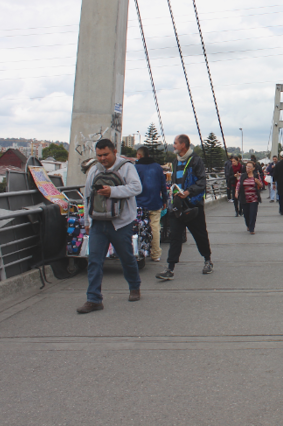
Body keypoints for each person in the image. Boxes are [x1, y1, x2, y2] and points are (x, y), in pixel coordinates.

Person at [77, 139, 142, 314]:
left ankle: (134, 286)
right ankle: (93, 299)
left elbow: (137, 188)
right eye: (99, 155)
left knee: (126, 257)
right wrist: (87, 222)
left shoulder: (127, 167)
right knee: (94, 261)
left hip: (121, 223)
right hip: (98, 222)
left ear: (114, 151)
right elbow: (87, 197)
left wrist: (112, 191)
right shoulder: (94, 170)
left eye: (106, 154)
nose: (103, 158)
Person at [156, 134, 213, 280]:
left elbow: (201, 181)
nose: (173, 145)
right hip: (178, 205)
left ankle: (207, 260)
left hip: (193, 205)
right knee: (175, 236)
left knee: (200, 234)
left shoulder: (196, 161)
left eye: (175, 143)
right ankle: (170, 268)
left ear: (183, 145)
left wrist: (188, 192)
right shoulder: (175, 162)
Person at [134, 146, 168, 262]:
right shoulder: (158, 167)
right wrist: (165, 200)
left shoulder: (136, 168)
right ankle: (156, 254)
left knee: (139, 228)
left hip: (139, 204)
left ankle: (140, 251)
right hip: (155, 202)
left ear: (139, 155)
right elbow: (163, 186)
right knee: (155, 228)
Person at [236, 161, 263, 234]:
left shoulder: (256, 176)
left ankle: (252, 228)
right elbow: (238, 184)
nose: (248, 168)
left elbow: (261, 185)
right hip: (244, 198)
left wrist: (258, 182)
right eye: (247, 166)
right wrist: (236, 192)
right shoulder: (243, 176)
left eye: (250, 167)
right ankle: (248, 225)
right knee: (246, 214)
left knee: (253, 213)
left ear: (253, 168)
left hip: (254, 198)